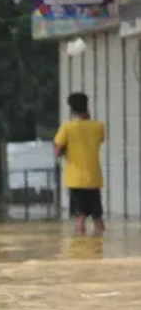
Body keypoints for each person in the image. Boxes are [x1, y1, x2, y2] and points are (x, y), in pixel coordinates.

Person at [54, 92, 106, 235]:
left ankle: (80, 253)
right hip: (94, 178)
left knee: (80, 217)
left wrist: (65, 151)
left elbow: (57, 152)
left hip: (75, 180)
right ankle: (100, 249)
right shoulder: (98, 126)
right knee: (98, 218)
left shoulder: (67, 128)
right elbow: (99, 141)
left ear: (71, 109)